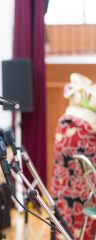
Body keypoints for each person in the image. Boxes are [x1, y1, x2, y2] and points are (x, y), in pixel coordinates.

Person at [51, 73, 96, 240]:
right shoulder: (87, 127)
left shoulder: (64, 121)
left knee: (64, 203)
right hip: (83, 191)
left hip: (63, 186)